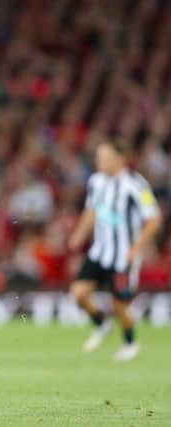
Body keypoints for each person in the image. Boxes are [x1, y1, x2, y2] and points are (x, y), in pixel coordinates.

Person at [68, 138, 161, 362]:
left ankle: (131, 343)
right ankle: (102, 324)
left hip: (123, 257)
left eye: (105, 157)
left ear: (120, 159)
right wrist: (80, 233)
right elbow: (91, 211)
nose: (100, 161)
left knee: (119, 305)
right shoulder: (96, 182)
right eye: (99, 157)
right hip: (100, 252)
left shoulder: (136, 185)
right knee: (79, 293)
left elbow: (154, 219)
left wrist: (136, 249)